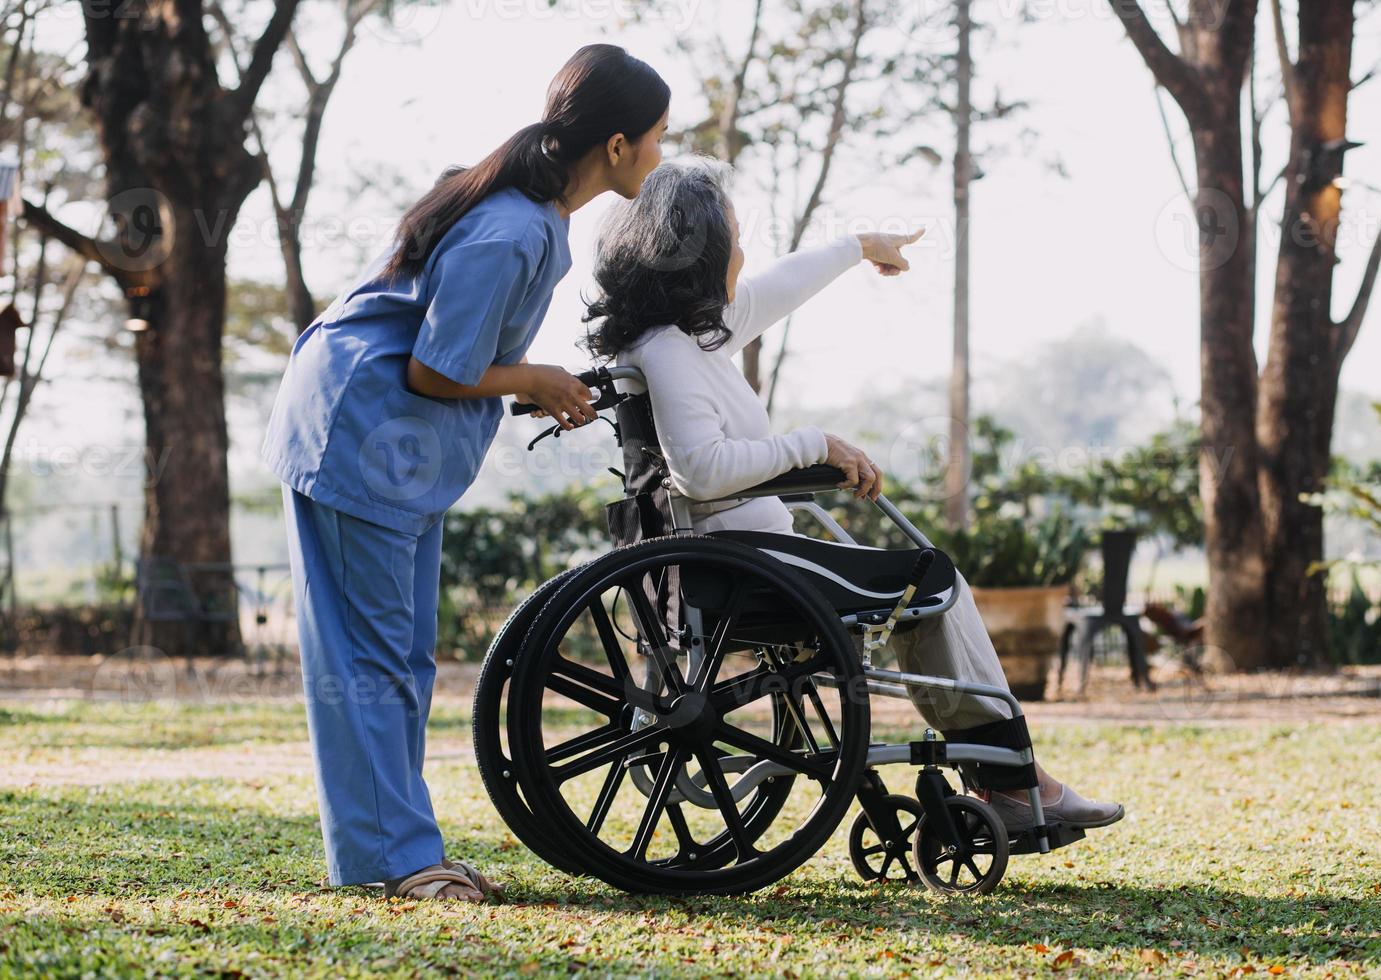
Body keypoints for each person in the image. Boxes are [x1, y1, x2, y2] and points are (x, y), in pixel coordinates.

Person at [583, 160, 1123, 831]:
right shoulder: (670, 350)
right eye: (735, 240)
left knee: (924, 582)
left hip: (741, 557)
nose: (744, 256)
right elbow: (701, 471)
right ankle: (1014, 780)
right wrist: (816, 445)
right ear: (699, 256)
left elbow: (779, 288)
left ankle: (1007, 776)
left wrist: (862, 246)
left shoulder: (685, 338)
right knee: (932, 580)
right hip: (743, 566)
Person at [262, 45, 670, 903]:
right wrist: (531, 377)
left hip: (401, 448)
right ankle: (396, 864)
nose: (663, 155)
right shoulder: (514, 225)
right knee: (370, 659)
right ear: (621, 143)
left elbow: (458, 357)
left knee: (402, 657)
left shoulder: (536, 219)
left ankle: (393, 851)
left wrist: (534, 381)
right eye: (661, 138)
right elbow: (433, 372)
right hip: (360, 431)